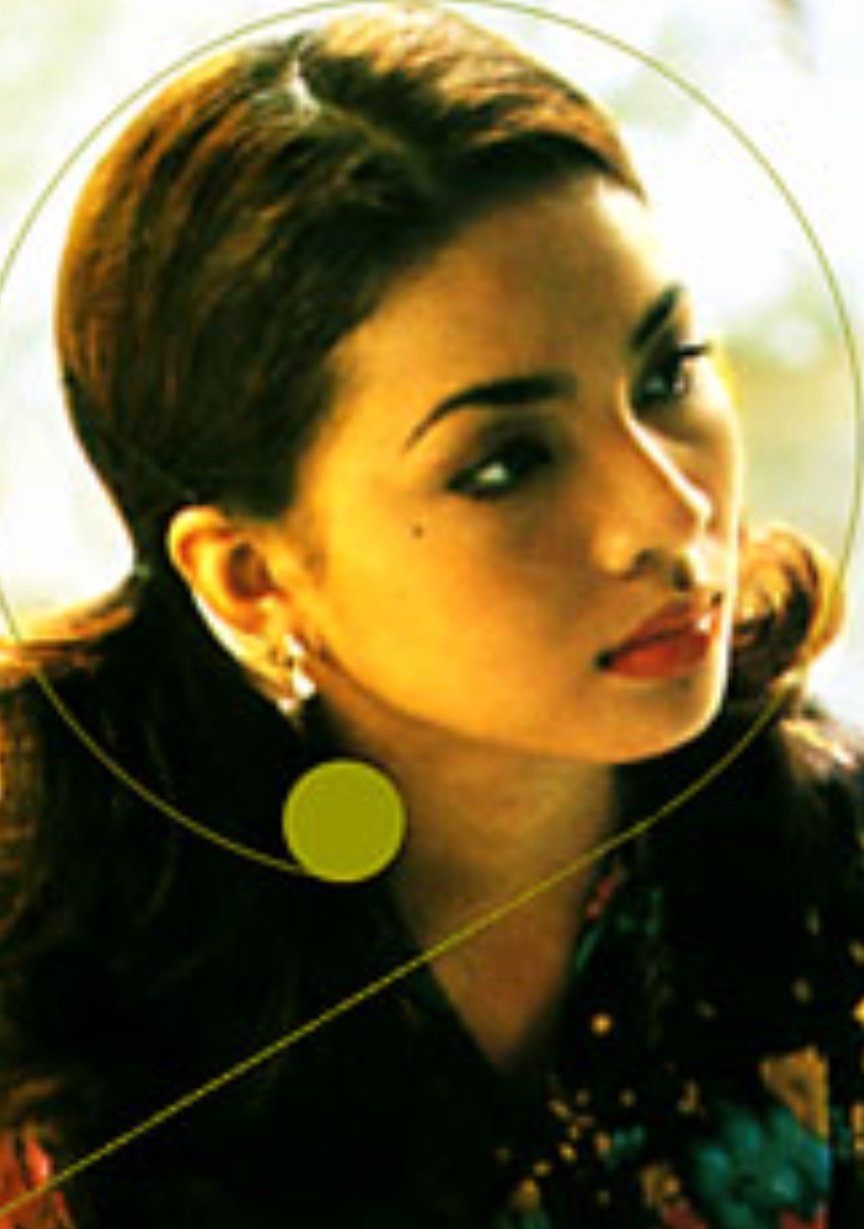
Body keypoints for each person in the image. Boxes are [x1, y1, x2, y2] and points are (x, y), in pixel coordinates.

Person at [1, 3, 862, 1226]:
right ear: (248, 572)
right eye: (507, 462)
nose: (669, 513)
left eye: (668, 372)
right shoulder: (74, 1015)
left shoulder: (822, 863)